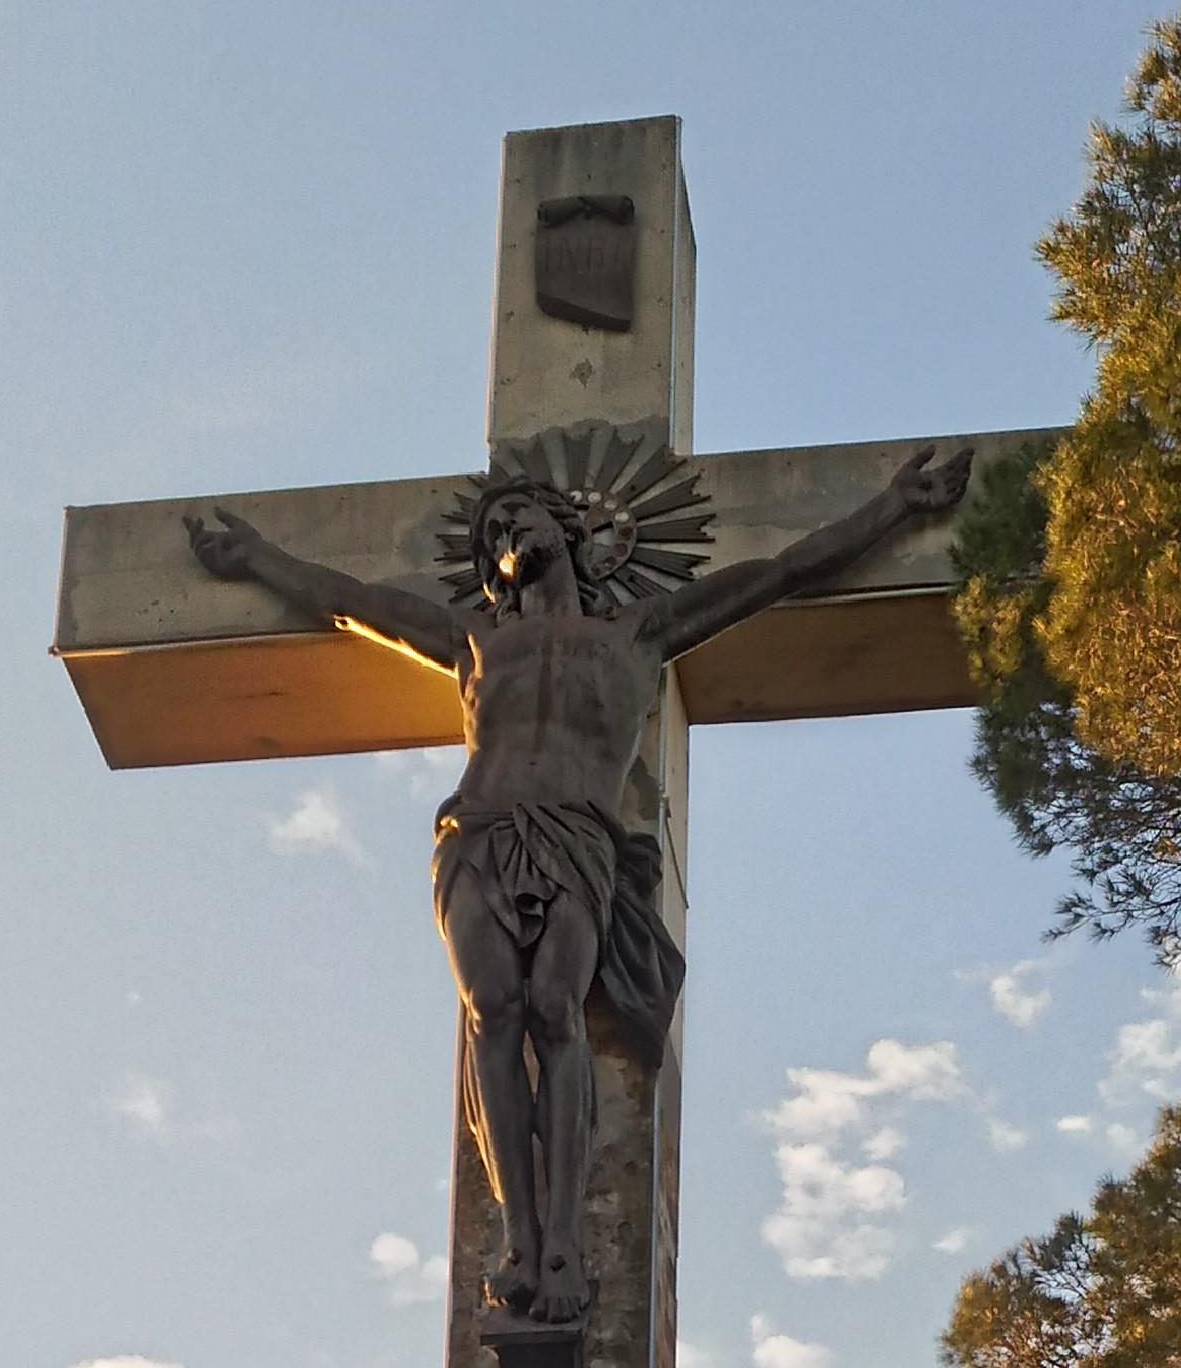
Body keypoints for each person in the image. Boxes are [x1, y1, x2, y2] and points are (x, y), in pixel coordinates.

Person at [188, 445, 971, 1321]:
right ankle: (518, 1239)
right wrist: (257, 558)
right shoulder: (474, 641)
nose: (505, 536)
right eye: (491, 534)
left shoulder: (638, 633)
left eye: (517, 518)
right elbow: (353, 602)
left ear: (567, 526)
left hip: (576, 837)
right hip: (479, 833)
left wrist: (895, 508)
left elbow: (782, 572)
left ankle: (564, 1239)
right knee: (493, 1011)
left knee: (555, 1007)